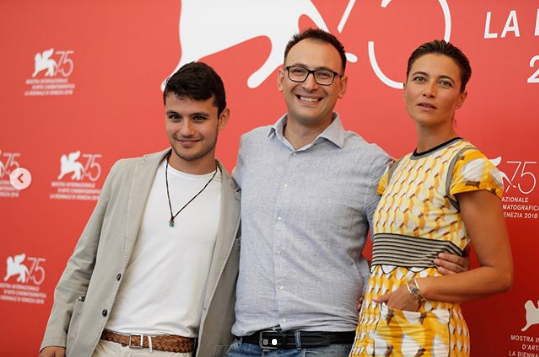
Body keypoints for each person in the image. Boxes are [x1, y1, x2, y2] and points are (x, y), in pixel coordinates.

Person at [225, 29, 467, 357]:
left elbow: (405, 234)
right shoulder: (251, 147)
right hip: (245, 345)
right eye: (298, 71)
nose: (309, 84)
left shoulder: (372, 163)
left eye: (324, 74)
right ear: (281, 78)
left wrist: (445, 264)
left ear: (342, 85)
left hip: (325, 346)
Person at [39, 62, 241, 357]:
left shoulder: (236, 200)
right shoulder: (126, 174)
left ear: (222, 118)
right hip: (99, 347)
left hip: (176, 351)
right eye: (175, 117)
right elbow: (83, 262)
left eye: (198, 118)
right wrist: (55, 335)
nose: (185, 130)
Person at [349, 40, 513, 357]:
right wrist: (377, 290)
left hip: (427, 335)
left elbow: (500, 274)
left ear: (461, 97)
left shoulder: (468, 165)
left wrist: (419, 288)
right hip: (373, 329)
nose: (429, 91)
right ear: (405, 87)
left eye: (445, 83)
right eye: (420, 79)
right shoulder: (395, 170)